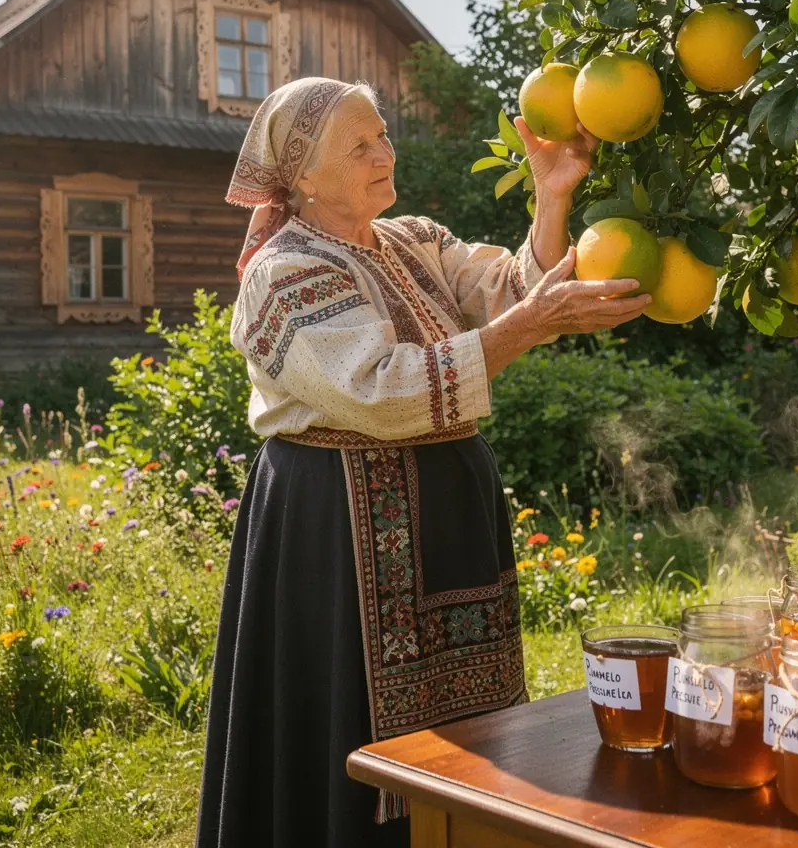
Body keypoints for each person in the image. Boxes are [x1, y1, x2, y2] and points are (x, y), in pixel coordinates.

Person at [195, 77, 652, 848]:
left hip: (445, 513)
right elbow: (379, 391)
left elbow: (509, 289)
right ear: (302, 175)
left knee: (470, 724)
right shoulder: (286, 273)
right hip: (337, 527)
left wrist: (551, 197)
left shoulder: (415, 240)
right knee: (354, 720)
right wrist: (526, 328)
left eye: (383, 133)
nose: (385, 153)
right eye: (360, 145)